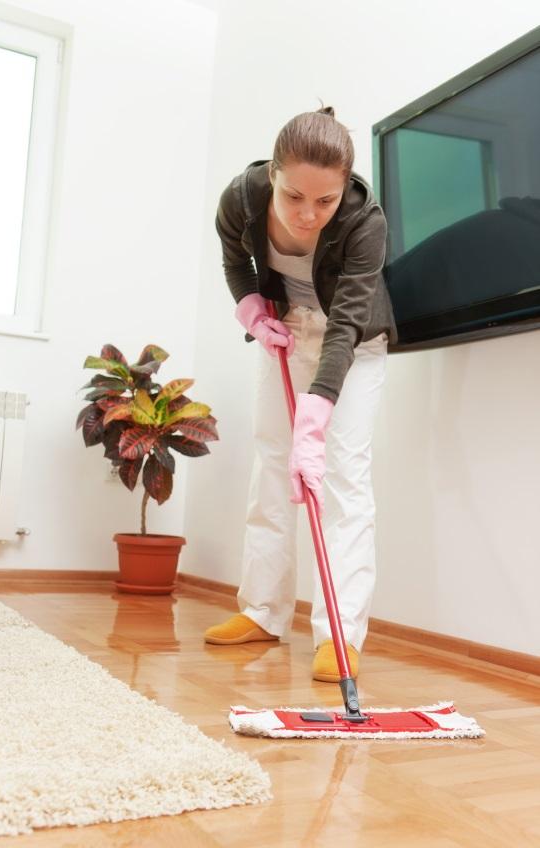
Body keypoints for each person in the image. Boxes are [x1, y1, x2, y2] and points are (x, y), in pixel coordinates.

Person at [204, 106, 397, 683]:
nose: (308, 214)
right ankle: (262, 612)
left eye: (325, 201)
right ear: (273, 175)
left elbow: (347, 324)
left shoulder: (366, 221)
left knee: (342, 475)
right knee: (270, 462)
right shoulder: (241, 198)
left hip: (352, 343)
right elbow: (236, 261)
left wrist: (315, 419)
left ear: (344, 191)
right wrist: (252, 312)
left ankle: (340, 635)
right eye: (293, 197)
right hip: (286, 331)